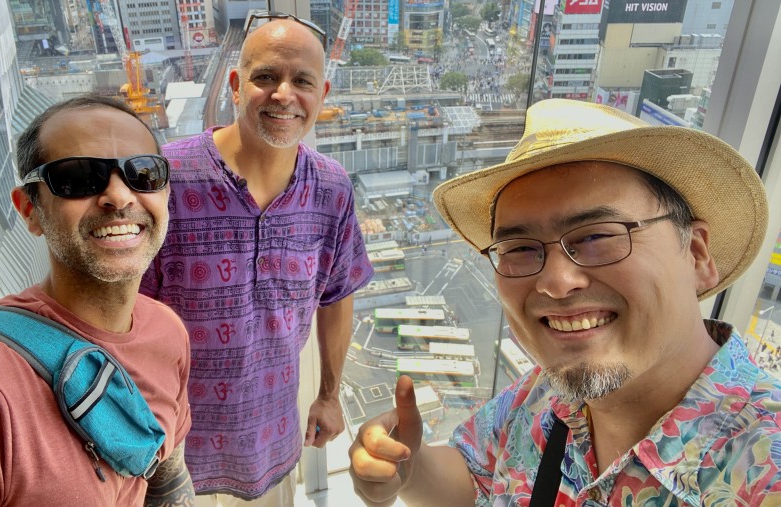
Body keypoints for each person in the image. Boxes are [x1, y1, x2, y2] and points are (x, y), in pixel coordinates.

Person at [350, 99, 781, 505]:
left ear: (697, 255)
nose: (555, 282)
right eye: (519, 248)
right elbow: (475, 479)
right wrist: (411, 467)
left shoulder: (764, 466)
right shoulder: (542, 393)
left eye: (596, 236)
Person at [0, 95, 195, 506]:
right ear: (30, 209)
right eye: (79, 178)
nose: (119, 196)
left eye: (143, 174)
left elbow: (165, 473)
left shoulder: (166, 332)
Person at [140, 13, 373, 505]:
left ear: (322, 93)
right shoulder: (169, 177)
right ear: (235, 85)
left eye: (302, 81)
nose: (283, 94)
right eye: (266, 76)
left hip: (274, 446)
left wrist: (330, 395)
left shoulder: (331, 190)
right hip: (168, 452)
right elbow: (124, 310)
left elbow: (338, 295)